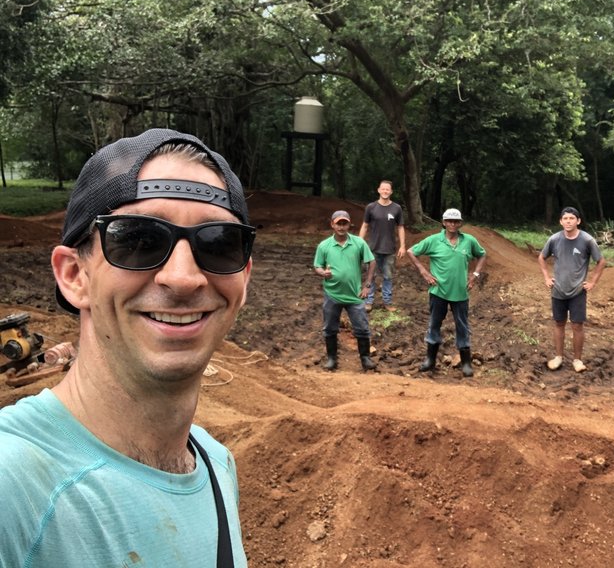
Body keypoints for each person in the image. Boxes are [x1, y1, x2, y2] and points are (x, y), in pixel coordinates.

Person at [0, 129, 253, 565]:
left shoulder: (216, 465)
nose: (184, 277)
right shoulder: (13, 485)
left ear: (244, 278)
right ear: (74, 275)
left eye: (218, 244)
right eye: (138, 239)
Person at [406, 208, 487, 377]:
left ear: (460, 223)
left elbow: (482, 254)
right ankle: (430, 360)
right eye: (449, 221)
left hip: (460, 293)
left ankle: (466, 362)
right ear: (443, 222)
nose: (452, 224)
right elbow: (411, 251)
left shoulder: (468, 241)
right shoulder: (434, 240)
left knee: (462, 326)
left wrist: (475, 275)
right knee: (434, 324)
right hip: (438, 292)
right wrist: (423, 271)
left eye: (456, 221)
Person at [537, 206, 606, 373]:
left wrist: (592, 282)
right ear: (561, 221)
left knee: (577, 325)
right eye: (565, 219)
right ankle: (558, 357)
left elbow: (601, 261)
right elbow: (541, 257)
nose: (568, 221)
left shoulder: (587, 240)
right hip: (558, 289)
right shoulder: (554, 239)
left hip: (577, 291)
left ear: (578, 221)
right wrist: (546, 277)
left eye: (572, 218)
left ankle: (577, 360)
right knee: (559, 323)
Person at [314, 210, 377, 371]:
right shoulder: (324, 246)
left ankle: (365, 358)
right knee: (329, 328)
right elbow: (317, 266)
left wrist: (367, 285)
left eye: (344, 223)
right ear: (332, 224)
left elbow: (372, 262)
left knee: (362, 328)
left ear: (349, 224)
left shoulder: (358, 243)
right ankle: (331, 359)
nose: (341, 227)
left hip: (355, 295)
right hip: (332, 294)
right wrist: (323, 273)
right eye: (338, 223)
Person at [358, 180, 406, 312]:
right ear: (378, 190)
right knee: (370, 276)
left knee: (388, 276)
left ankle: (387, 302)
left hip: (390, 249)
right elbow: (365, 226)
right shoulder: (371, 207)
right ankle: (368, 301)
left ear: (391, 192)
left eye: (387, 189)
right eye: (383, 189)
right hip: (372, 248)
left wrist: (402, 246)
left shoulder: (397, 208)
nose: (385, 191)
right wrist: (359, 243)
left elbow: (401, 227)